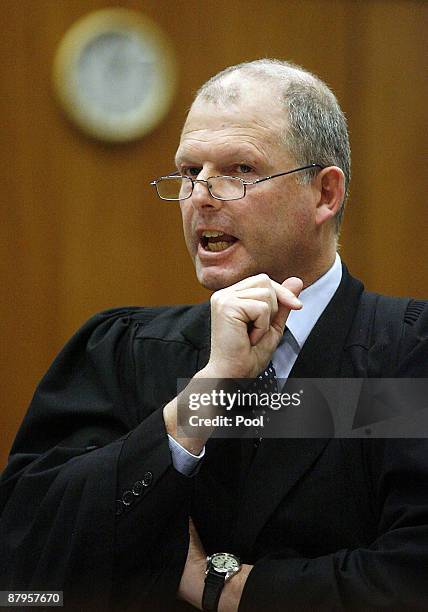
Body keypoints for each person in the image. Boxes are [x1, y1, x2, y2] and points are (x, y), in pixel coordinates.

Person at [1, 59, 427, 612]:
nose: (201, 195)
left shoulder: (406, 354)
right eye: (189, 172)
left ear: (325, 194)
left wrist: (222, 588)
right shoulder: (124, 351)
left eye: (240, 169)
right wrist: (199, 404)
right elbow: (29, 568)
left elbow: (410, 579)